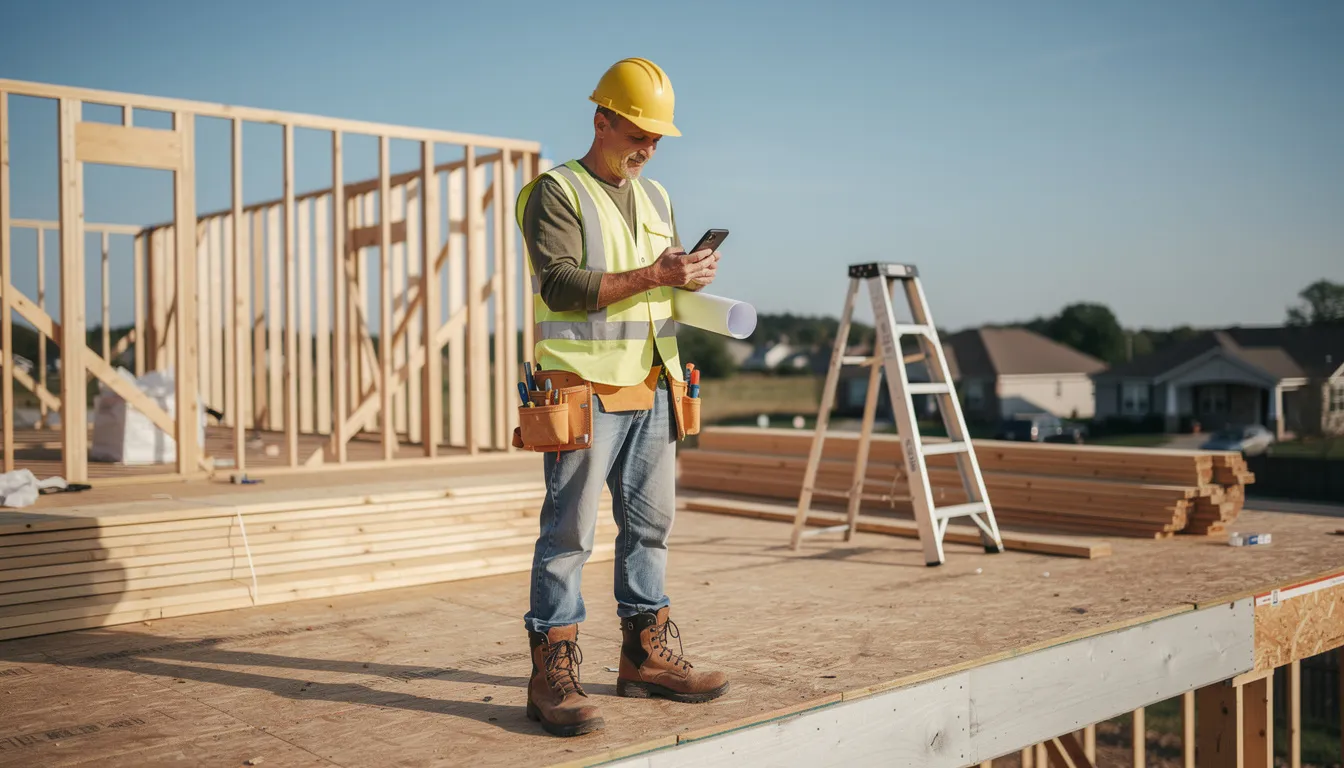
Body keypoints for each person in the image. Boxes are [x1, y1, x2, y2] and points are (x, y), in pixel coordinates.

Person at [513, 57, 728, 738]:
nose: (649, 147)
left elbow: (652, 287)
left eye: (657, 138)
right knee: (568, 536)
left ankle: (646, 656)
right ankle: (551, 671)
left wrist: (684, 280)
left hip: (653, 379)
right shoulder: (556, 191)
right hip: (580, 386)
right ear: (600, 119)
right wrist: (652, 274)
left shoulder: (658, 197)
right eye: (638, 132)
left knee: (650, 526)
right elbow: (562, 286)